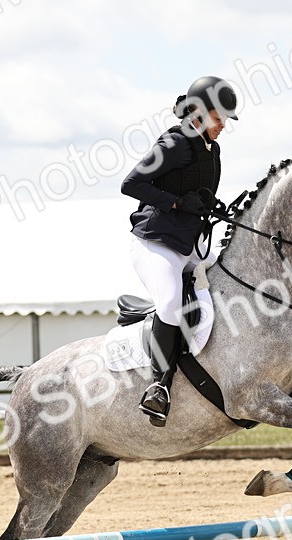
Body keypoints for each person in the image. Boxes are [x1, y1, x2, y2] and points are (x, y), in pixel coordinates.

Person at [120, 75, 240, 426]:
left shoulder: (211, 149)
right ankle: (158, 386)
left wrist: (211, 205)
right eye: (219, 117)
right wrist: (175, 203)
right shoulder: (174, 143)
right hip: (156, 242)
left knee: (234, 279)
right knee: (171, 302)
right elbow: (131, 184)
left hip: (190, 245)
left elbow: (196, 190)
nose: (223, 125)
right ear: (199, 112)